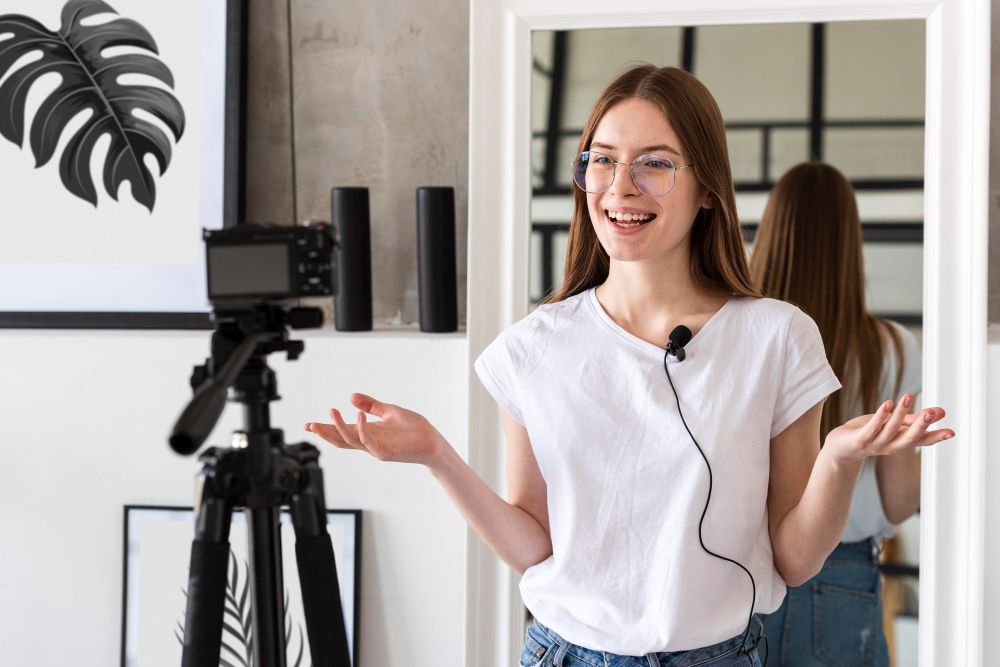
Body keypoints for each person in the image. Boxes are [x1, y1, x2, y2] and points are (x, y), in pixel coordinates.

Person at [303, 65, 951, 667]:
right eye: (603, 161)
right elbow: (535, 543)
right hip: (563, 651)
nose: (620, 186)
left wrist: (838, 458)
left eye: (655, 164)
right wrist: (436, 453)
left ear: (706, 189)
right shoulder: (533, 346)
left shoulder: (777, 337)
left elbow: (794, 559)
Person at [750, 162, 923, 666]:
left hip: (745, 570)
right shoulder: (894, 349)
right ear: (851, 244)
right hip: (845, 576)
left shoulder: (735, 334)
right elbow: (898, 504)